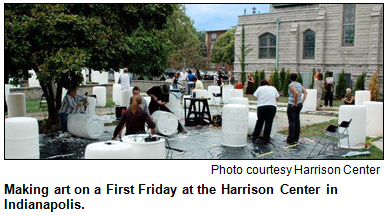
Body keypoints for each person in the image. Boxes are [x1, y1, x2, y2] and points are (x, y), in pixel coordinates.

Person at [252, 80, 279, 144]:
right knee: (269, 122)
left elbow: (254, 96)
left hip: (262, 106)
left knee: (260, 121)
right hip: (272, 107)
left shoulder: (260, 88)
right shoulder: (273, 88)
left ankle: (255, 135)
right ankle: (266, 138)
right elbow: (277, 97)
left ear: (261, 84)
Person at [286, 73, 308, 145]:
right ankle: (296, 138)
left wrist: (295, 103)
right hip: (299, 104)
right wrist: (301, 101)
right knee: (297, 121)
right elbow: (306, 93)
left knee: (291, 122)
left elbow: (296, 93)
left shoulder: (291, 85)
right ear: (296, 78)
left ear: (290, 78)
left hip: (293, 105)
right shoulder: (299, 84)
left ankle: (290, 139)